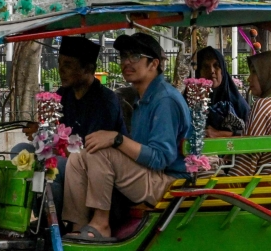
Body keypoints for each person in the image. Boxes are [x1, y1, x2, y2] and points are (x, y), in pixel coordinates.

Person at [63, 32, 192, 239]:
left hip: (168, 182)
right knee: (79, 157)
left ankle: (101, 224)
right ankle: (78, 227)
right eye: (123, 57)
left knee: (100, 151)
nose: (126, 63)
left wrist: (117, 139)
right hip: (148, 174)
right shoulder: (144, 98)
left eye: (135, 57)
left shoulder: (165, 100)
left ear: (153, 64)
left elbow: (160, 159)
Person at [13, 36, 127, 216]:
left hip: (93, 167)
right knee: (20, 151)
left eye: (67, 65)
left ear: (88, 69)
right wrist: (40, 132)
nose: (60, 70)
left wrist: (51, 141)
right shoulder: (63, 93)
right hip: (65, 158)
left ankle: (55, 225)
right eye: (59, 63)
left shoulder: (105, 101)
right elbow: (53, 133)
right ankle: (35, 219)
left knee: (49, 168)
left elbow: (88, 152)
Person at [195, 46, 249, 137]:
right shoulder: (191, 101)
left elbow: (251, 135)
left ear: (223, 70)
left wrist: (220, 134)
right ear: (198, 72)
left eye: (216, 66)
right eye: (205, 67)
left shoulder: (237, 104)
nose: (212, 71)